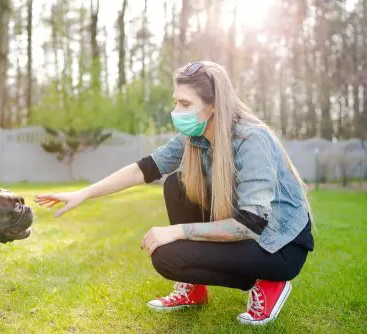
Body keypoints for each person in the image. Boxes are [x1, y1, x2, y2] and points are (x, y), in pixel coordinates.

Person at [34, 61, 314, 326]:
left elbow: (251, 224)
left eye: (185, 104)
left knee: (168, 250)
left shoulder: (251, 140)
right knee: (176, 188)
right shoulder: (194, 137)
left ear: (213, 106)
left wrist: (178, 231)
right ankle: (194, 291)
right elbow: (142, 169)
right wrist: (83, 194)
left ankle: (269, 281)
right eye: (176, 102)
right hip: (247, 232)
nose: (177, 111)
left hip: (278, 246)